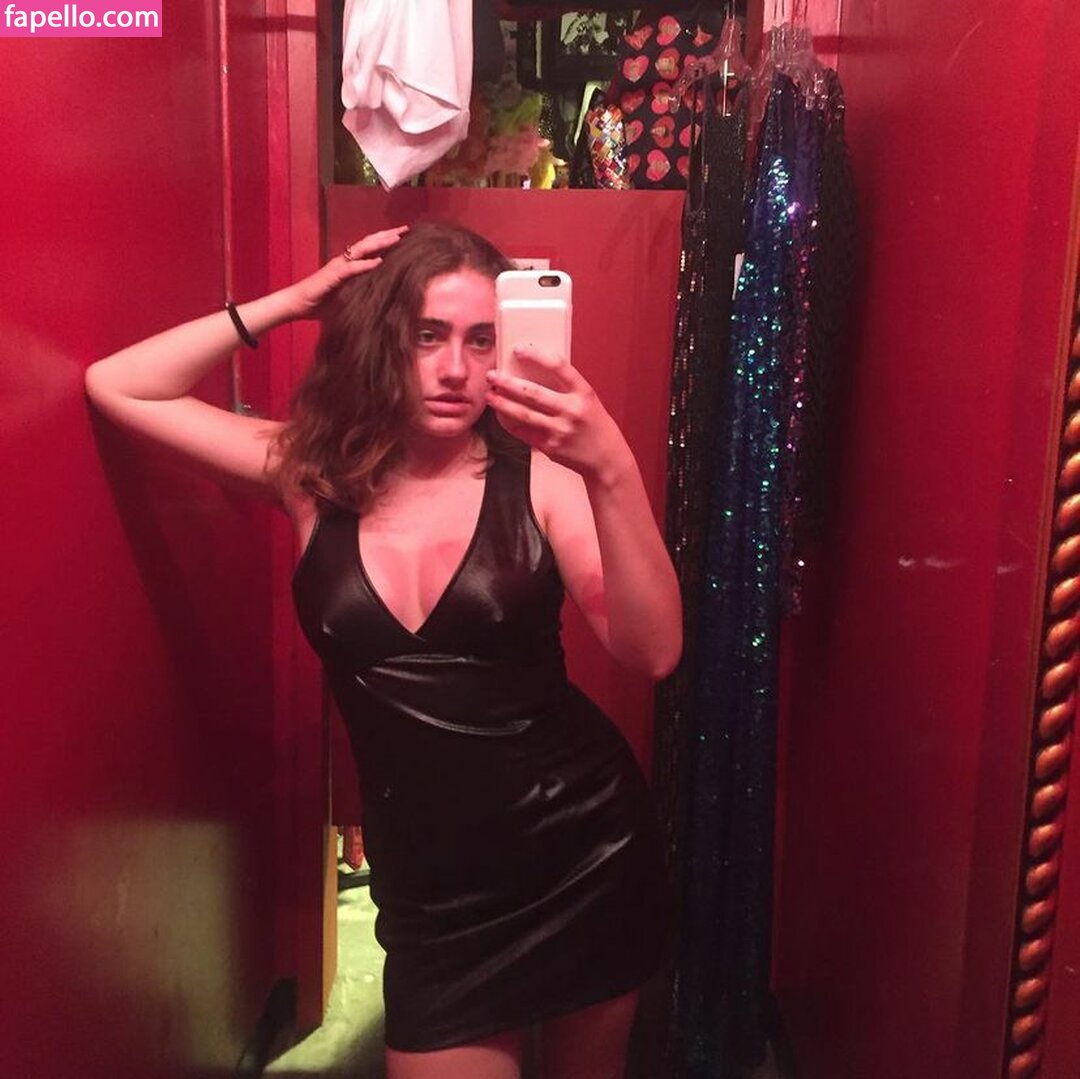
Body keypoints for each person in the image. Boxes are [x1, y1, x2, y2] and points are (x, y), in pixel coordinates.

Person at [85, 222, 682, 1079]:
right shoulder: (310, 475)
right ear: (382, 340)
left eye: (482, 340)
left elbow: (653, 649)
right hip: (435, 896)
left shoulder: (543, 480)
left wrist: (611, 469)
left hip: (581, 851)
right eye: (426, 335)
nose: (455, 368)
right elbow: (121, 386)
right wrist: (292, 302)